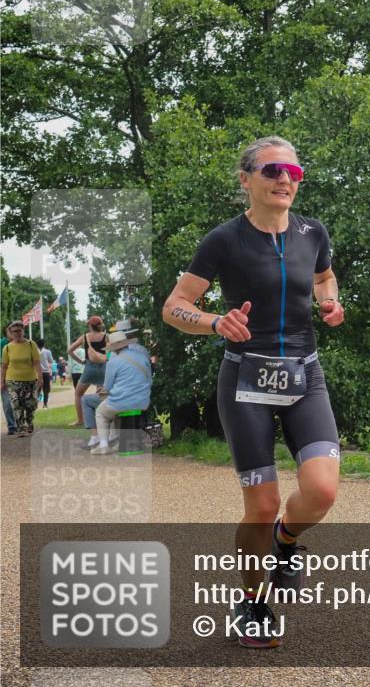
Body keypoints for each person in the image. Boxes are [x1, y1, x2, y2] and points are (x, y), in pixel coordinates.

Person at [163, 136, 345, 648]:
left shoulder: (314, 232)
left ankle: (286, 543)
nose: (285, 179)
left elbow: (326, 279)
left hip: (305, 375)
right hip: (246, 381)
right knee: (261, 507)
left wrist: (331, 304)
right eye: (272, 171)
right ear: (246, 180)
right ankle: (254, 602)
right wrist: (215, 321)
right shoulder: (224, 240)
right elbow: (175, 305)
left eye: (294, 171)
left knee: (323, 490)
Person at [80, 327, 153, 455]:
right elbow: (149, 379)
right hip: (143, 400)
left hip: (124, 402)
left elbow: (107, 387)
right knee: (114, 408)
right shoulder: (142, 356)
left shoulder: (114, 361)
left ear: (114, 347)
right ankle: (119, 440)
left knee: (101, 412)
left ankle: (103, 445)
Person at [1, 321, 43, 438]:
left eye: (19, 330)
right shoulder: (7, 348)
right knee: (16, 404)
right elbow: (4, 366)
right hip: (12, 380)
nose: (17, 333)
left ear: (23, 331)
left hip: (30, 380)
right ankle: (21, 428)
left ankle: (29, 422)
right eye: (14, 331)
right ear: (10, 333)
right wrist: (2, 382)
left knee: (31, 405)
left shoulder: (31, 344)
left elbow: (36, 362)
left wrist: (40, 377)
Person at [68, 316, 108, 426]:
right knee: (102, 395)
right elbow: (111, 352)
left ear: (90, 325)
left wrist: (81, 361)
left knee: (78, 394)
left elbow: (70, 350)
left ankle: (81, 420)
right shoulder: (106, 336)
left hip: (89, 368)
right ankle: (103, 418)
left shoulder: (85, 337)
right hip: (103, 368)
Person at [1, 333, 17, 434]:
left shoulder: (24, 344)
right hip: (5, 376)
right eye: (10, 330)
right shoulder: (2, 343)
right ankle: (12, 427)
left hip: (21, 376)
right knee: (7, 403)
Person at [36, 339, 54, 408]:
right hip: (46, 372)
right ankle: (45, 404)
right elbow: (51, 360)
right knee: (46, 389)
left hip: (37, 372)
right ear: (44, 344)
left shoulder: (35, 351)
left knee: (37, 389)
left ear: (37, 345)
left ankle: (35, 404)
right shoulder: (47, 351)